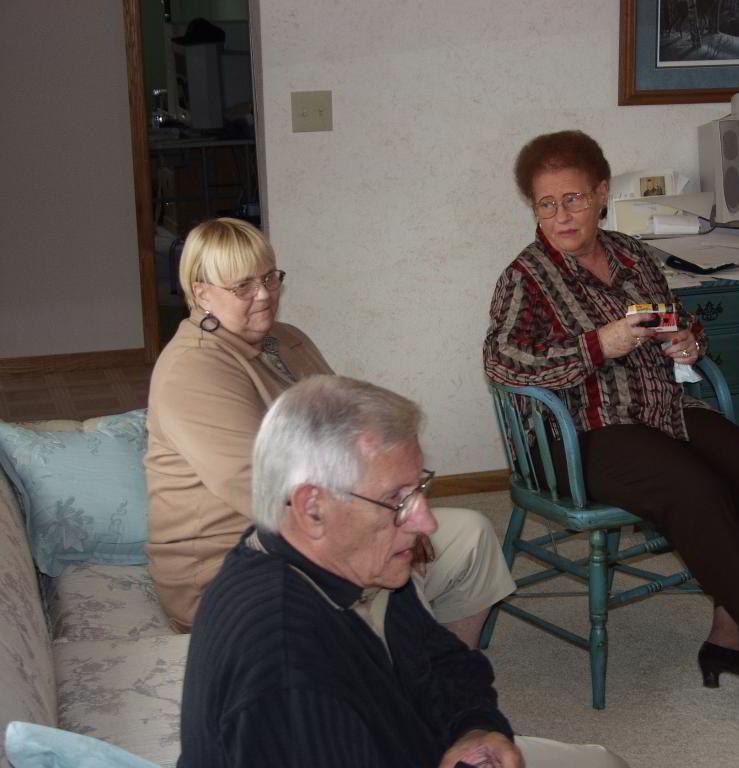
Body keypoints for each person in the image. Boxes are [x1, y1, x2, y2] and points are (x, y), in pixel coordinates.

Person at [483, 130, 739, 694]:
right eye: (546, 204)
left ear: (601, 194)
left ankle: (726, 630)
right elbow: (502, 363)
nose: (561, 216)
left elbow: (673, 316)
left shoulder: (632, 254)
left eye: (573, 198)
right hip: (582, 430)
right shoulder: (526, 277)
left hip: (662, 406)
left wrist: (689, 341)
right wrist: (598, 344)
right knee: (692, 485)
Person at [178, 375, 630, 768]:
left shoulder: (353, 567)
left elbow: (441, 658)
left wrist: (474, 727)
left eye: (419, 489)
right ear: (312, 508)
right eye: (397, 499)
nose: (425, 521)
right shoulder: (288, 669)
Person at [145, 218, 514, 643]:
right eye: (243, 286)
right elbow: (259, 488)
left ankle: (448, 668)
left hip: (321, 522)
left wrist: (396, 509)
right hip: (233, 560)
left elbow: (351, 428)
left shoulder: (287, 340)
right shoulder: (192, 369)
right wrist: (382, 526)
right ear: (201, 292)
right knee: (386, 576)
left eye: (269, 277)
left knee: (472, 537)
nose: (263, 294)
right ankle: (393, 667)